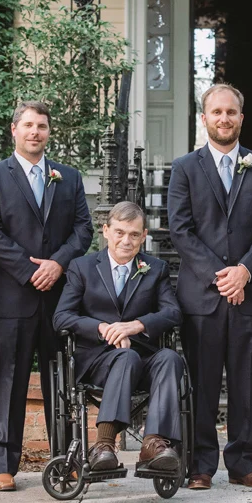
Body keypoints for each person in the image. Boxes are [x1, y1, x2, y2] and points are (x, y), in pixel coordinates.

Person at [0, 100, 93, 491]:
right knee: (7, 382)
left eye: (41, 126)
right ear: (14, 129)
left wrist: (57, 264)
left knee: (62, 382)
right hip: (10, 297)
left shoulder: (68, 177)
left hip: (59, 299)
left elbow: (83, 229)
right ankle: (1, 464)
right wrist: (30, 272)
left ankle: (66, 459)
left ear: (48, 131)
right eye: (28, 125)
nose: (35, 132)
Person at [168, 84, 252, 490]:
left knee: (246, 383)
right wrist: (222, 275)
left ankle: (242, 462)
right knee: (202, 384)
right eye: (216, 112)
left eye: (231, 112)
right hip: (203, 296)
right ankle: (200, 464)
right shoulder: (185, 168)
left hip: (251, 293)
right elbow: (180, 230)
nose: (224, 118)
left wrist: (245, 270)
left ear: (241, 118)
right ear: (204, 118)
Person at [53, 201, 185, 473]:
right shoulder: (82, 267)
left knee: (171, 358)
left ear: (144, 236)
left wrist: (135, 325)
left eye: (134, 234)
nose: (127, 241)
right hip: (97, 362)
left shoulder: (155, 268)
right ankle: (104, 444)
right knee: (125, 357)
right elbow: (62, 317)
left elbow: (173, 313)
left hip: (144, 359)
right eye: (120, 232)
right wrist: (103, 328)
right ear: (106, 231)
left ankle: (153, 443)